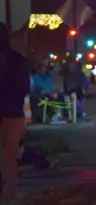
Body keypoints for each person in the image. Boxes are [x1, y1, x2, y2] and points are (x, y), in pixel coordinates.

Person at [0, 23, 31, 200]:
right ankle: (8, 196)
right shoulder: (18, 61)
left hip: (10, 113)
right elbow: (24, 89)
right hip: (13, 113)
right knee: (9, 158)